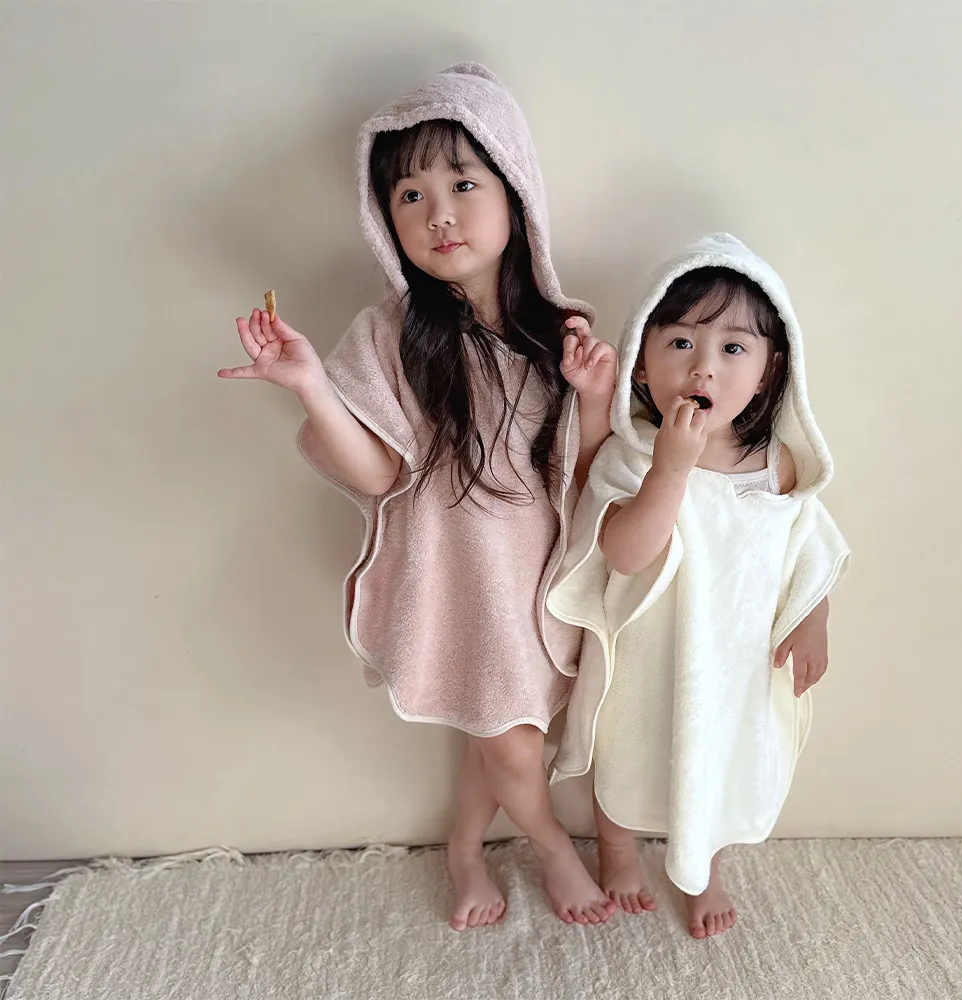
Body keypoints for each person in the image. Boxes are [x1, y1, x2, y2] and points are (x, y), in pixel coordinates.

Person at [219, 64, 618, 930]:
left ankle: (464, 849)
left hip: (537, 581)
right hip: (455, 581)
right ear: (385, 220)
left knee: (498, 730)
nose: (439, 213)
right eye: (410, 195)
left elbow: (586, 477)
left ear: (516, 193)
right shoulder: (389, 334)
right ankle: (552, 847)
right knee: (511, 742)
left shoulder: (559, 334)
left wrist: (592, 398)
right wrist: (311, 387)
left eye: (464, 184)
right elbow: (374, 474)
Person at [547, 233, 850, 938]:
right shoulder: (634, 455)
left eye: (733, 348)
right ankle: (617, 850)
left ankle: (703, 866)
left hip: (735, 660)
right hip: (649, 655)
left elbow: (807, 548)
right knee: (626, 755)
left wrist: (813, 616)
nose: (703, 366)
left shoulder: (775, 464)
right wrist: (672, 470)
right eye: (680, 342)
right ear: (642, 363)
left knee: (715, 756)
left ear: (770, 373)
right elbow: (624, 553)